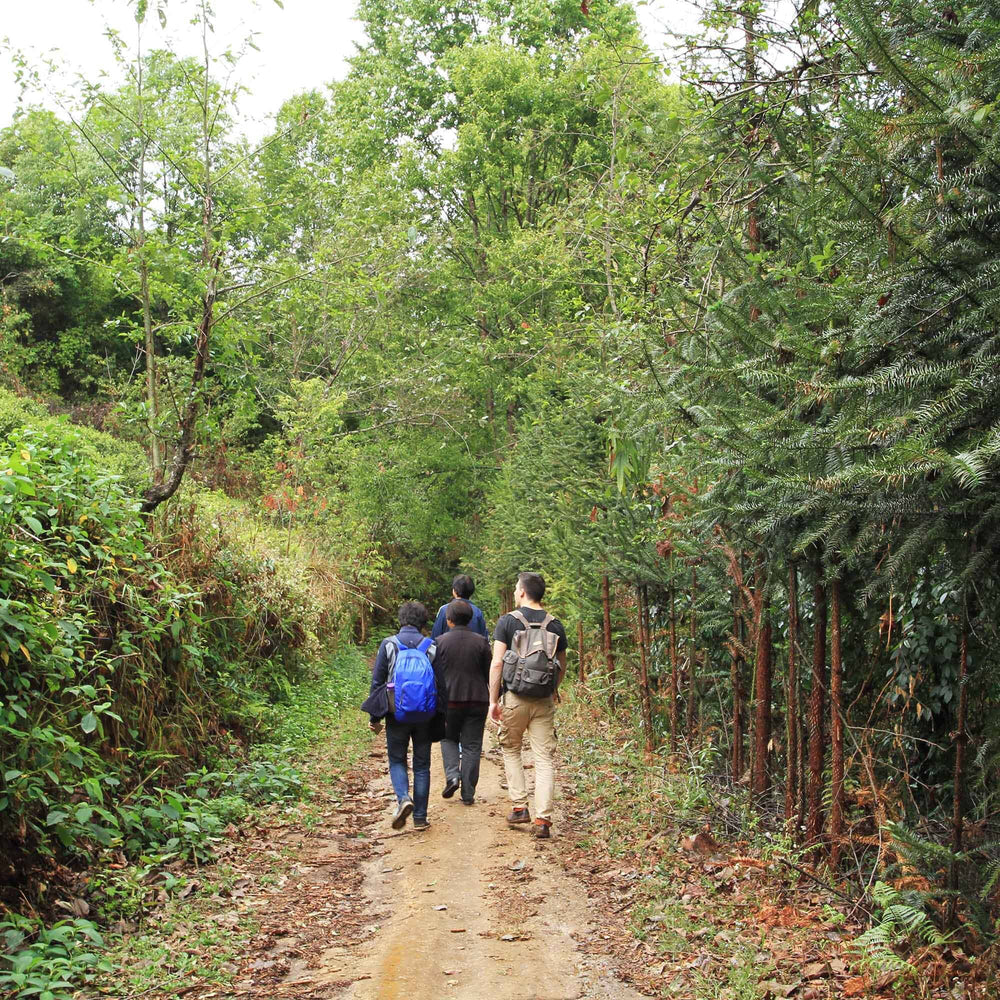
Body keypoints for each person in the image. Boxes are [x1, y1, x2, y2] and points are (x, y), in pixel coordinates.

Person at [489, 572, 567, 840]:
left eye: (515, 588)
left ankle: (520, 806)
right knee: (543, 759)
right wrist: (553, 690)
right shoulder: (556, 625)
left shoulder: (508, 622)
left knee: (511, 749)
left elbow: (497, 663)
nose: (514, 592)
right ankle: (543, 820)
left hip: (515, 698)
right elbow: (562, 665)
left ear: (522, 591)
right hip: (543, 700)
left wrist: (492, 700)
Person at [362, 601, 446, 830]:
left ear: (401, 620)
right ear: (422, 622)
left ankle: (403, 799)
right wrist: (442, 715)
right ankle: (420, 817)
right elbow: (440, 684)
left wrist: (374, 717)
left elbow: (378, 683)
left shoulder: (388, 645)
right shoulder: (431, 646)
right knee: (422, 765)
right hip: (425, 715)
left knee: (397, 759)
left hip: (396, 714)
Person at [435, 598, 492, 805]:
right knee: (472, 745)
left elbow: (434, 675)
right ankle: (468, 793)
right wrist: (496, 697)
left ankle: (452, 776)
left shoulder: (439, 642)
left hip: (449, 701)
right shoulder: (481, 642)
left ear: (448, 620)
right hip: (477, 700)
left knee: (448, 739)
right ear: (469, 619)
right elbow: (489, 673)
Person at [430, 574, 488, 640]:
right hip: (473, 649)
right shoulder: (478, 612)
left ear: (454, 591)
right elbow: (484, 638)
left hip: (447, 648)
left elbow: (435, 636)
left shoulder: (444, 609)